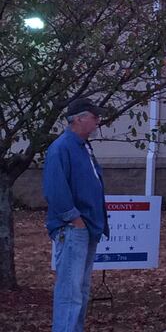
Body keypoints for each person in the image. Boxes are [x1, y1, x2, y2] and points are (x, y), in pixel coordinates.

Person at [43, 98, 109, 332]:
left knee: (80, 289)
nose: (98, 121)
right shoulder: (61, 148)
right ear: (79, 118)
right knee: (70, 292)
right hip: (73, 228)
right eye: (94, 117)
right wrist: (75, 219)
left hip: (87, 227)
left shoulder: (83, 147)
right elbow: (54, 188)